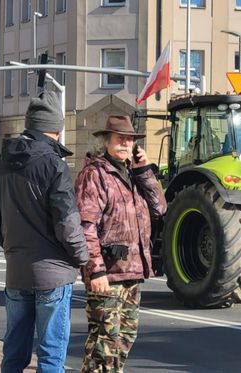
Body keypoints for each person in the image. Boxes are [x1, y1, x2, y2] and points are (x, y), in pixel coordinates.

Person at [0, 90, 89, 373]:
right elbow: (67, 223)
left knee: (14, 353)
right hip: (52, 274)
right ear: (57, 127)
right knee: (51, 356)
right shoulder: (55, 165)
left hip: (16, 272)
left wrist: (13, 245)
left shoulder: (2, 161)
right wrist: (81, 257)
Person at [75, 115, 167, 373]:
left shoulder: (133, 174)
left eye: (130, 139)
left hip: (132, 270)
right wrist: (96, 270)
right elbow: (86, 226)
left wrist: (144, 170)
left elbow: (160, 207)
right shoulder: (95, 174)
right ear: (107, 141)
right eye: (120, 139)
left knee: (124, 339)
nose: (126, 144)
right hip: (107, 273)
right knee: (104, 343)